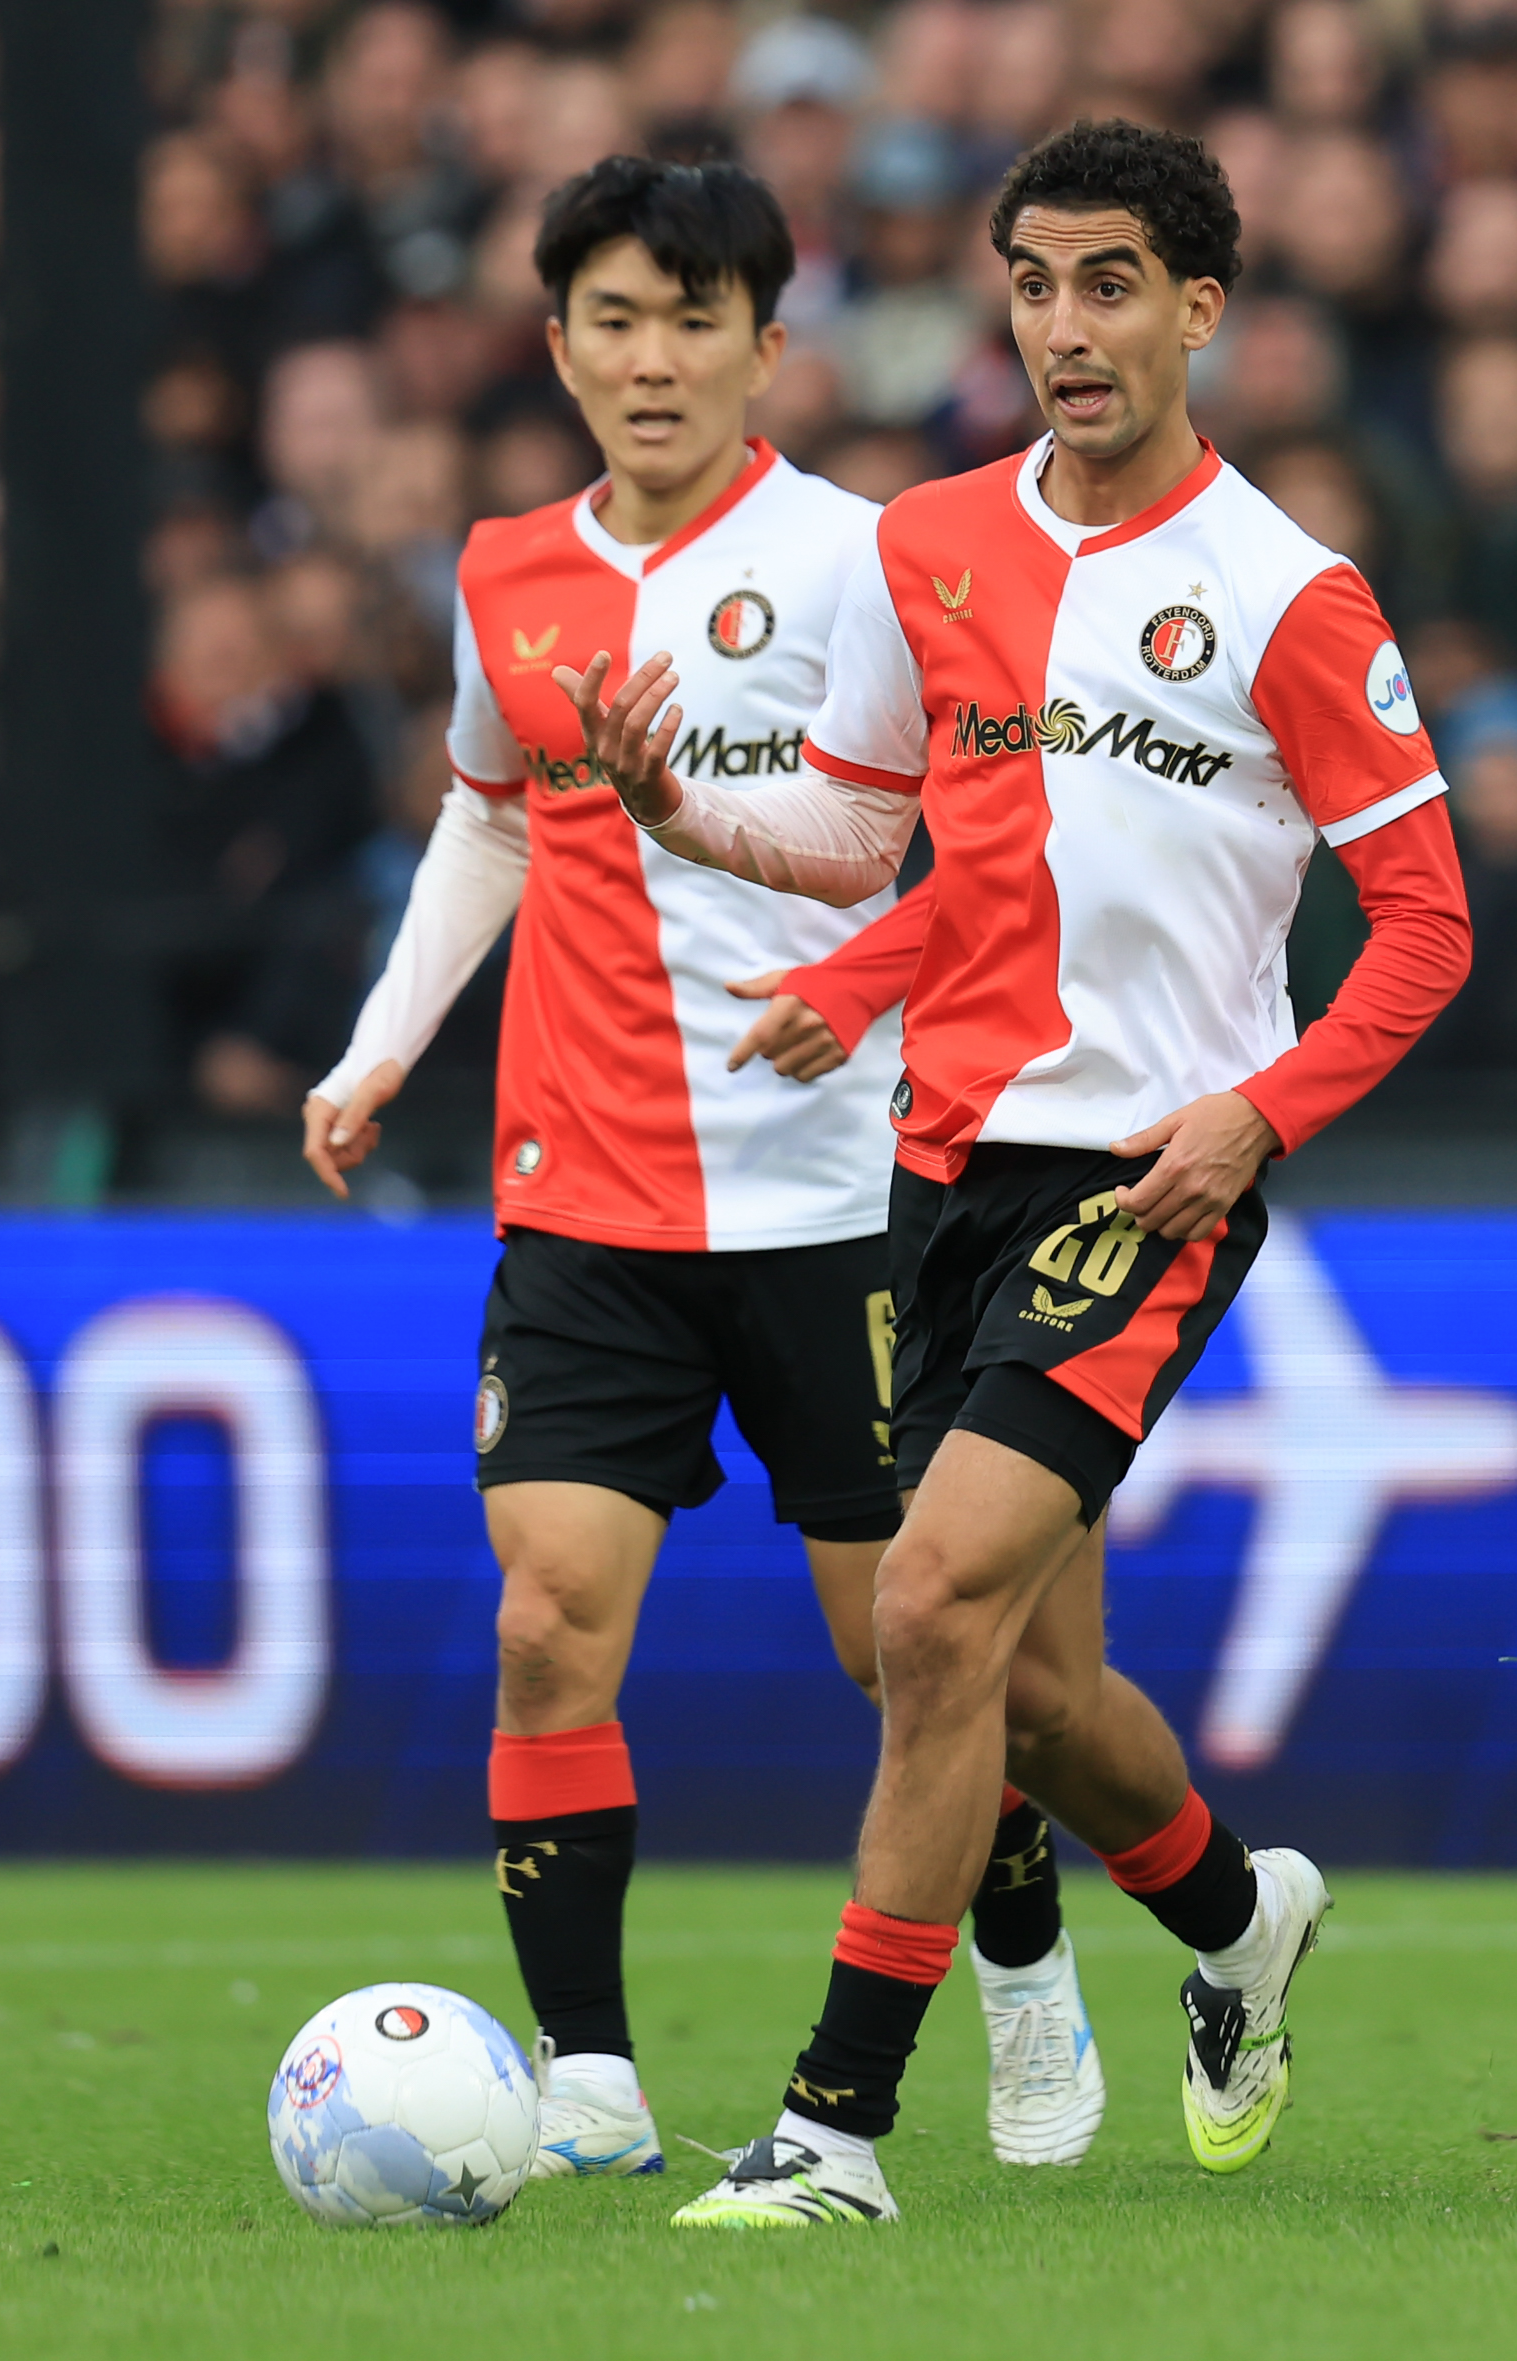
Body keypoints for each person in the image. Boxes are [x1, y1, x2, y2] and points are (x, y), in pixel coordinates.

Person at [560, 119, 1472, 2231]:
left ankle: (833, 2126)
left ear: (1196, 309)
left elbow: (1421, 919)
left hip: (1146, 1172)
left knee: (927, 1595)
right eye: (1035, 282)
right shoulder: (930, 544)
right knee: (1022, 1685)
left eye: (1110, 283)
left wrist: (1260, 1111)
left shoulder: (1286, 598)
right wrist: (695, 822)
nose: (1066, 324)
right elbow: (891, 846)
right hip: (938, 1160)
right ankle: (1239, 1921)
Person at [295, 157, 1107, 2190]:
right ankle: (584, 2069)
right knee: (548, 1614)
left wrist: (865, 978)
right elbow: (491, 819)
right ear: (557, 341)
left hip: (845, 1193)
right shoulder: (501, 572)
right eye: (611, 319)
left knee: (911, 1646)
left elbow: (989, 848)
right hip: (582, 1191)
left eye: (691, 319)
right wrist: (382, 1044)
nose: (650, 359)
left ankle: (1018, 1962)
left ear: (768, 340)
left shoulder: (870, 558)